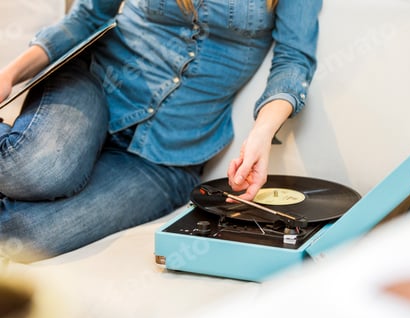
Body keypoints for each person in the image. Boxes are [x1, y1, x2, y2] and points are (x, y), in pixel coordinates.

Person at [0, 0, 322, 262]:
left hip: (168, 157)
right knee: (37, 169)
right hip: (93, 88)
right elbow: (88, 16)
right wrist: (9, 75)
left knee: (22, 234)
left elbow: (294, 60)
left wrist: (261, 133)